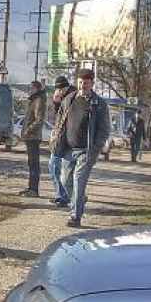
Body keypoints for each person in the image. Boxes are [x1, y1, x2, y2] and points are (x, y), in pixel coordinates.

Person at [52, 68, 110, 228]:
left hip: (86, 151)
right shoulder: (69, 100)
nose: (82, 85)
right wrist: (57, 138)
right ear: (76, 82)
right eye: (80, 82)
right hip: (68, 149)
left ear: (92, 84)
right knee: (65, 182)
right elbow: (59, 120)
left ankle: (75, 216)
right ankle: (80, 199)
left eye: (86, 82)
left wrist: (95, 150)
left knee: (78, 181)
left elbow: (104, 130)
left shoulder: (98, 104)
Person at [48, 76, 76, 207]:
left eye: (62, 88)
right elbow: (58, 119)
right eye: (58, 89)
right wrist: (56, 103)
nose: (59, 91)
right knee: (53, 166)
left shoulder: (74, 97)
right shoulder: (61, 98)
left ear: (67, 87)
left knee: (68, 173)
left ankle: (74, 197)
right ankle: (61, 195)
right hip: (59, 140)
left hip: (70, 141)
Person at [19, 81, 46, 198]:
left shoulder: (38, 101)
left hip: (33, 137)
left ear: (36, 89)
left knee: (34, 164)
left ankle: (34, 189)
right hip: (30, 137)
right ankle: (31, 187)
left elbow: (39, 120)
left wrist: (28, 130)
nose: (29, 90)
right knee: (31, 164)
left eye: (30, 88)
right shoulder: (33, 100)